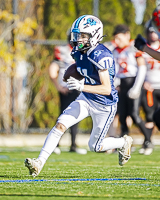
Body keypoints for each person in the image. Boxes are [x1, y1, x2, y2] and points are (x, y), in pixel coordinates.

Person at [24, 15, 133, 177]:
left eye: (82, 35)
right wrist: (75, 74)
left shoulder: (102, 55)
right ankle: (39, 162)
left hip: (104, 104)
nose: (78, 39)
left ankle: (123, 142)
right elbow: (81, 66)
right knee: (60, 124)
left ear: (94, 35)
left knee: (95, 146)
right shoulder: (77, 51)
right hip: (87, 98)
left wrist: (82, 85)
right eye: (77, 35)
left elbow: (106, 89)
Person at [112, 24, 151, 148]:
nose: (117, 41)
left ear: (127, 35)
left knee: (134, 114)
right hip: (122, 84)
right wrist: (115, 83)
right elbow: (115, 69)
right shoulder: (115, 50)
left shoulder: (134, 47)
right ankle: (124, 143)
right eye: (116, 38)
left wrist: (137, 87)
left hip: (133, 82)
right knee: (122, 115)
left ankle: (148, 140)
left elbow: (142, 67)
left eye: (119, 38)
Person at [49, 31, 87, 154]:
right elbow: (53, 69)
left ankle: (73, 145)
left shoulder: (85, 51)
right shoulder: (63, 50)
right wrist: (59, 87)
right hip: (66, 88)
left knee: (76, 116)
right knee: (63, 116)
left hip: (79, 88)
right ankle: (55, 144)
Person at [135, 21, 160, 155]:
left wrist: (144, 48)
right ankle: (148, 141)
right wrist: (144, 48)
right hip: (150, 87)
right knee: (154, 116)